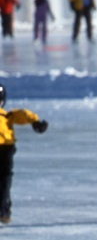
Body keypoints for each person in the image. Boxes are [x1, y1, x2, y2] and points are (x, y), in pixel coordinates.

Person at [0, 83, 48, 225]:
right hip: (6, 148)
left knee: (4, 181)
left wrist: (35, 122)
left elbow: (22, 115)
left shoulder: (7, 115)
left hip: (6, 149)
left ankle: (4, 210)